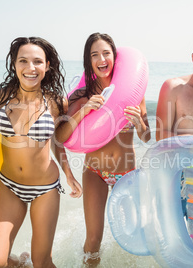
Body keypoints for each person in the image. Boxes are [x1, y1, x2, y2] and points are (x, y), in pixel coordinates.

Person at [0, 37, 82, 268]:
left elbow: (57, 142)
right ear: (14, 64)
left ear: (47, 66)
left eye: (37, 62)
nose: (31, 68)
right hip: (9, 184)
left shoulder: (55, 102)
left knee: (42, 262)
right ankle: (19, 264)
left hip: (45, 188)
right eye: (23, 61)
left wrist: (68, 174)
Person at [55, 32, 151, 266]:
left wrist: (139, 123)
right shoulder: (82, 95)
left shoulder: (133, 91)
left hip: (126, 173)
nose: (101, 59)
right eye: (94, 55)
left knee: (133, 234)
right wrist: (85, 110)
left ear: (114, 57)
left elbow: (146, 137)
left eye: (106, 53)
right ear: (89, 61)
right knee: (94, 238)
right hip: (95, 172)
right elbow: (59, 137)